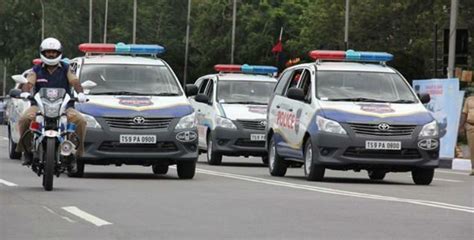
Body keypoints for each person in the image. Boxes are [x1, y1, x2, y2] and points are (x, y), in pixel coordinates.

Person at [16, 37, 87, 168]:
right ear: (43, 52)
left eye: (54, 52)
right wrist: (25, 92)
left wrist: (81, 93)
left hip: (64, 107)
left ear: (59, 53)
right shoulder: (36, 69)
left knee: (81, 121)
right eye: (48, 52)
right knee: (25, 119)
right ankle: (26, 151)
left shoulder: (67, 68)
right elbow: (29, 82)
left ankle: (75, 155)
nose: (51, 54)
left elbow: (75, 81)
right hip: (39, 107)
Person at [459, 95, 474, 176]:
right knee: (472, 148)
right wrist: (461, 126)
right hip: (470, 127)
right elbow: (464, 113)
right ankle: (473, 168)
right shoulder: (469, 99)